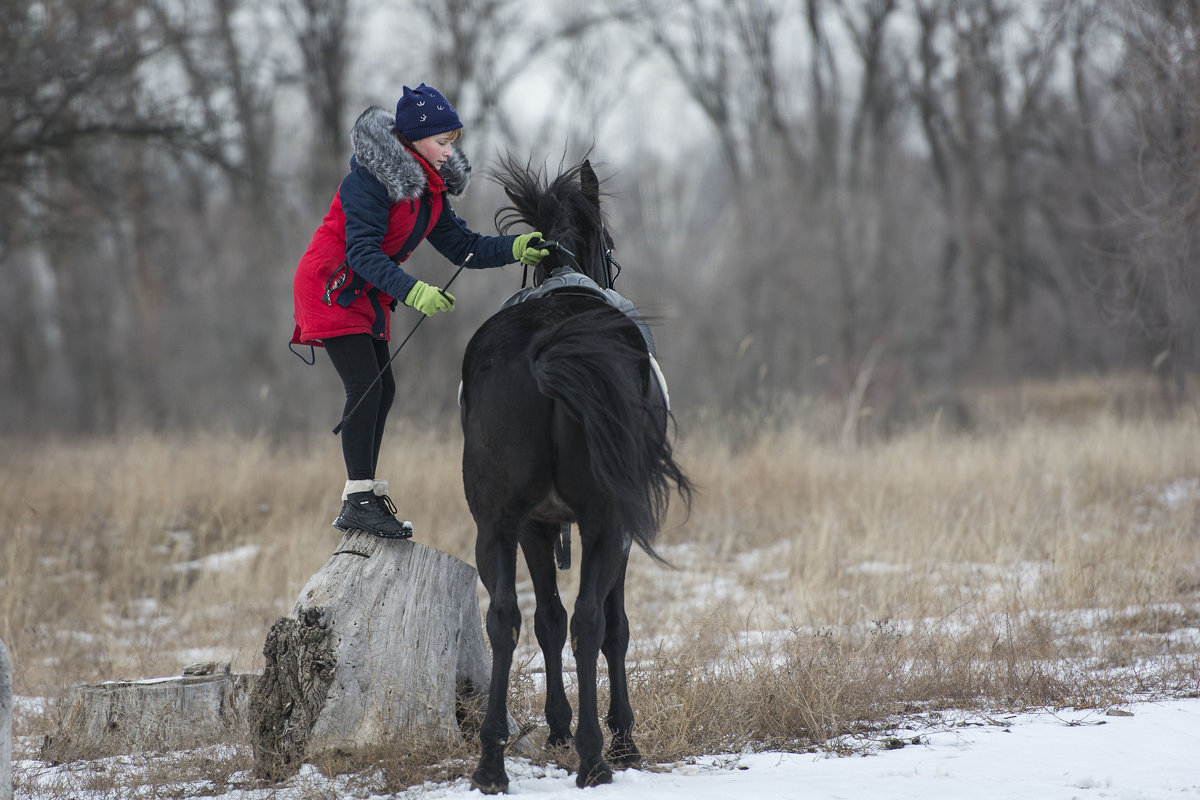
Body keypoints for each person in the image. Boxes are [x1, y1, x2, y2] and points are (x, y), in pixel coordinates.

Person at [292, 83, 548, 539]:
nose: (449, 152)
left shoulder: (429, 193)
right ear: (412, 139)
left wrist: (516, 247)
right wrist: (415, 293)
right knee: (365, 387)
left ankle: (363, 494)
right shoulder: (368, 182)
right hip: (332, 286)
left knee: (382, 389)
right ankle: (357, 499)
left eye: (453, 143)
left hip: (367, 293)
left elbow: (463, 246)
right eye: (442, 142)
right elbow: (364, 253)